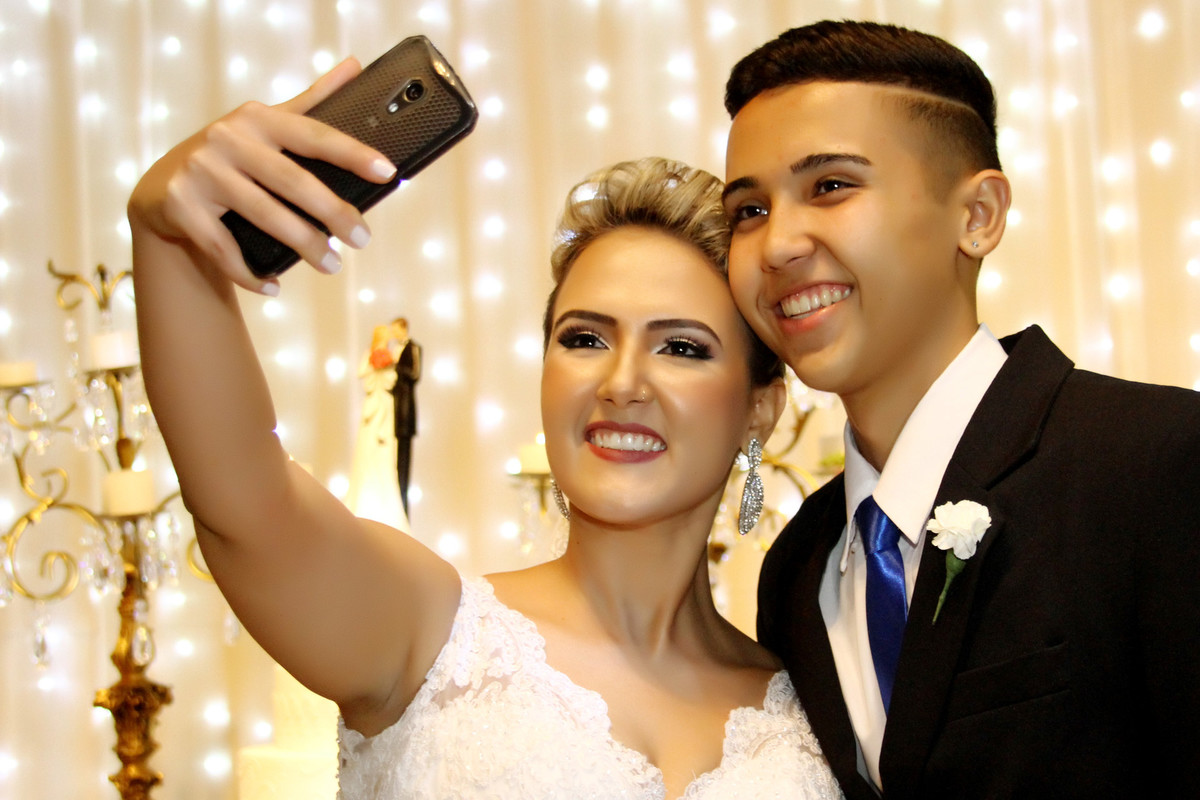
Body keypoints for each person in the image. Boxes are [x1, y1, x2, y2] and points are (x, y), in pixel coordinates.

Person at [127, 59, 844, 799]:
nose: (622, 383)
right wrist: (166, 234)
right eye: (585, 339)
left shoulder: (821, 714)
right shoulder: (424, 636)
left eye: (682, 348)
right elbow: (240, 497)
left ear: (760, 408)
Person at [720, 19, 1200, 799]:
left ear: (977, 216)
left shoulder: (1156, 464)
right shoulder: (796, 569)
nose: (776, 246)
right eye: (748, 209)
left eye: (830, 186)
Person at [344, 319, 410, 530]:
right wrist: (375, 362)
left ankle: (385, 503)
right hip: (373, 406)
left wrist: (388, 363)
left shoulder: (393, 355)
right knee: (367, 448)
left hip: (385, 406)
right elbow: (361, 372)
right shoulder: (370, 355)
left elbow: (394, 379)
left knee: (384, 451)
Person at [387, 317, 420, 516]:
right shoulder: (392, 348)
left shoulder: (413, 347)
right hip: (390, 410)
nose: (393, 333)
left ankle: (403, 509)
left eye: (395, 329)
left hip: (405, 411)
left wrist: (396, 365)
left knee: (403, 463)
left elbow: (415, 373)